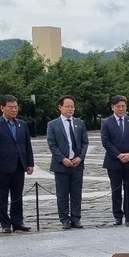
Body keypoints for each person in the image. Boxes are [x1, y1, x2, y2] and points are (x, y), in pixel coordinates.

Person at [0, 95, 34, 233]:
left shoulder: (22, 124)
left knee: (17, 195)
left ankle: (17, 221)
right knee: (2, 196)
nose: (14, 110)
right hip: (2, 167)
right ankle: (5, 223)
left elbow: (27, 145)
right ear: (2, 108)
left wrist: (29, 163)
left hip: (19, 165)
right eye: (10, 107)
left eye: (16, 107)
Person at [46, 95, 88, 229]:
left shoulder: (79, 123)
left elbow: (84, 142)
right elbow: (52, 144)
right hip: (61, 164)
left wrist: (80, 157)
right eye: (67, 106)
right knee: (62, 194)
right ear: (60, 107)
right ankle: (64, 219)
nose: (70, 109)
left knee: (76, 193)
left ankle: (76, 218)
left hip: (77, 164)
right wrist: (62, 159)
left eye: (72, 106)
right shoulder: (53, 124)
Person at [100, 95, 129, 225]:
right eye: (118, 106)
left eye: (123, 106)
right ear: (113, 107)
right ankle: (117, 215)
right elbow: (106, 142)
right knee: (116, 190)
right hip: (114, 162)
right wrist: (118, 155)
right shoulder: (106, 122)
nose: (121, 109)